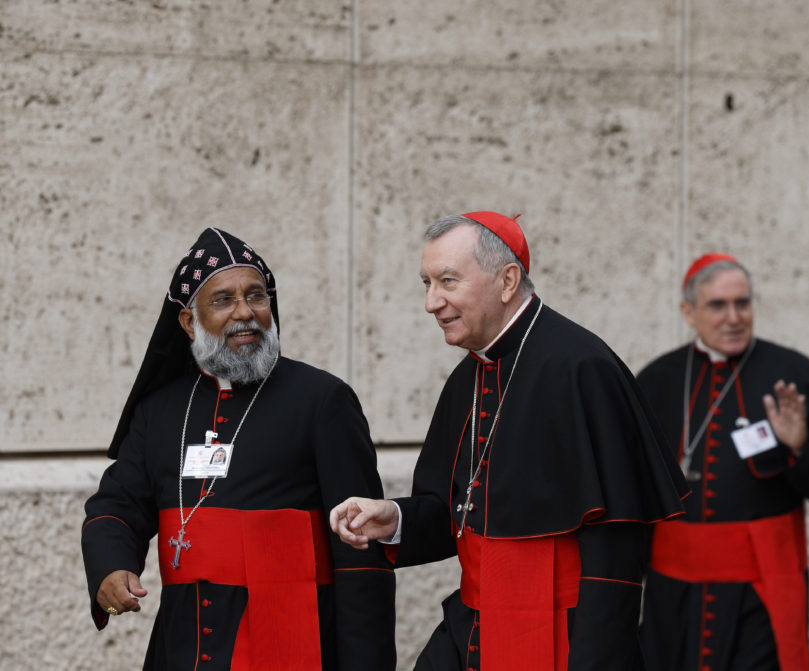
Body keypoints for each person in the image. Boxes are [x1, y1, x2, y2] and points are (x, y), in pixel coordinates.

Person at [330, 212, 688, 671]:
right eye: (426, 283)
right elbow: (453, 510)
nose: (431, 302)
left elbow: (615, 548)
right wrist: (394, 518)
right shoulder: (468, 378)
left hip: (560, 636)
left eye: (447, 281)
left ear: (507, 280)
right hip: (472, 628)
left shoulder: (581, 368)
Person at [81, 228, 396, 671]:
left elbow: (361, 557)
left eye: (256, 296)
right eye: (223, 300)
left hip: (293, 642)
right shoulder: (160, 410)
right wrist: (111, 566)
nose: (245, 312)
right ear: (190, 322)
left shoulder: (322, 400)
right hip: (185, 644)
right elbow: (116, 506)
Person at [638, 253, 809, 671]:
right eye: (718, 305)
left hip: (761, 592)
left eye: (742, 303)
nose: (734, 317)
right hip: (673, 595)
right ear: (688, 312)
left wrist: (801, 448)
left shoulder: (793, 373)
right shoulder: (657, 380)